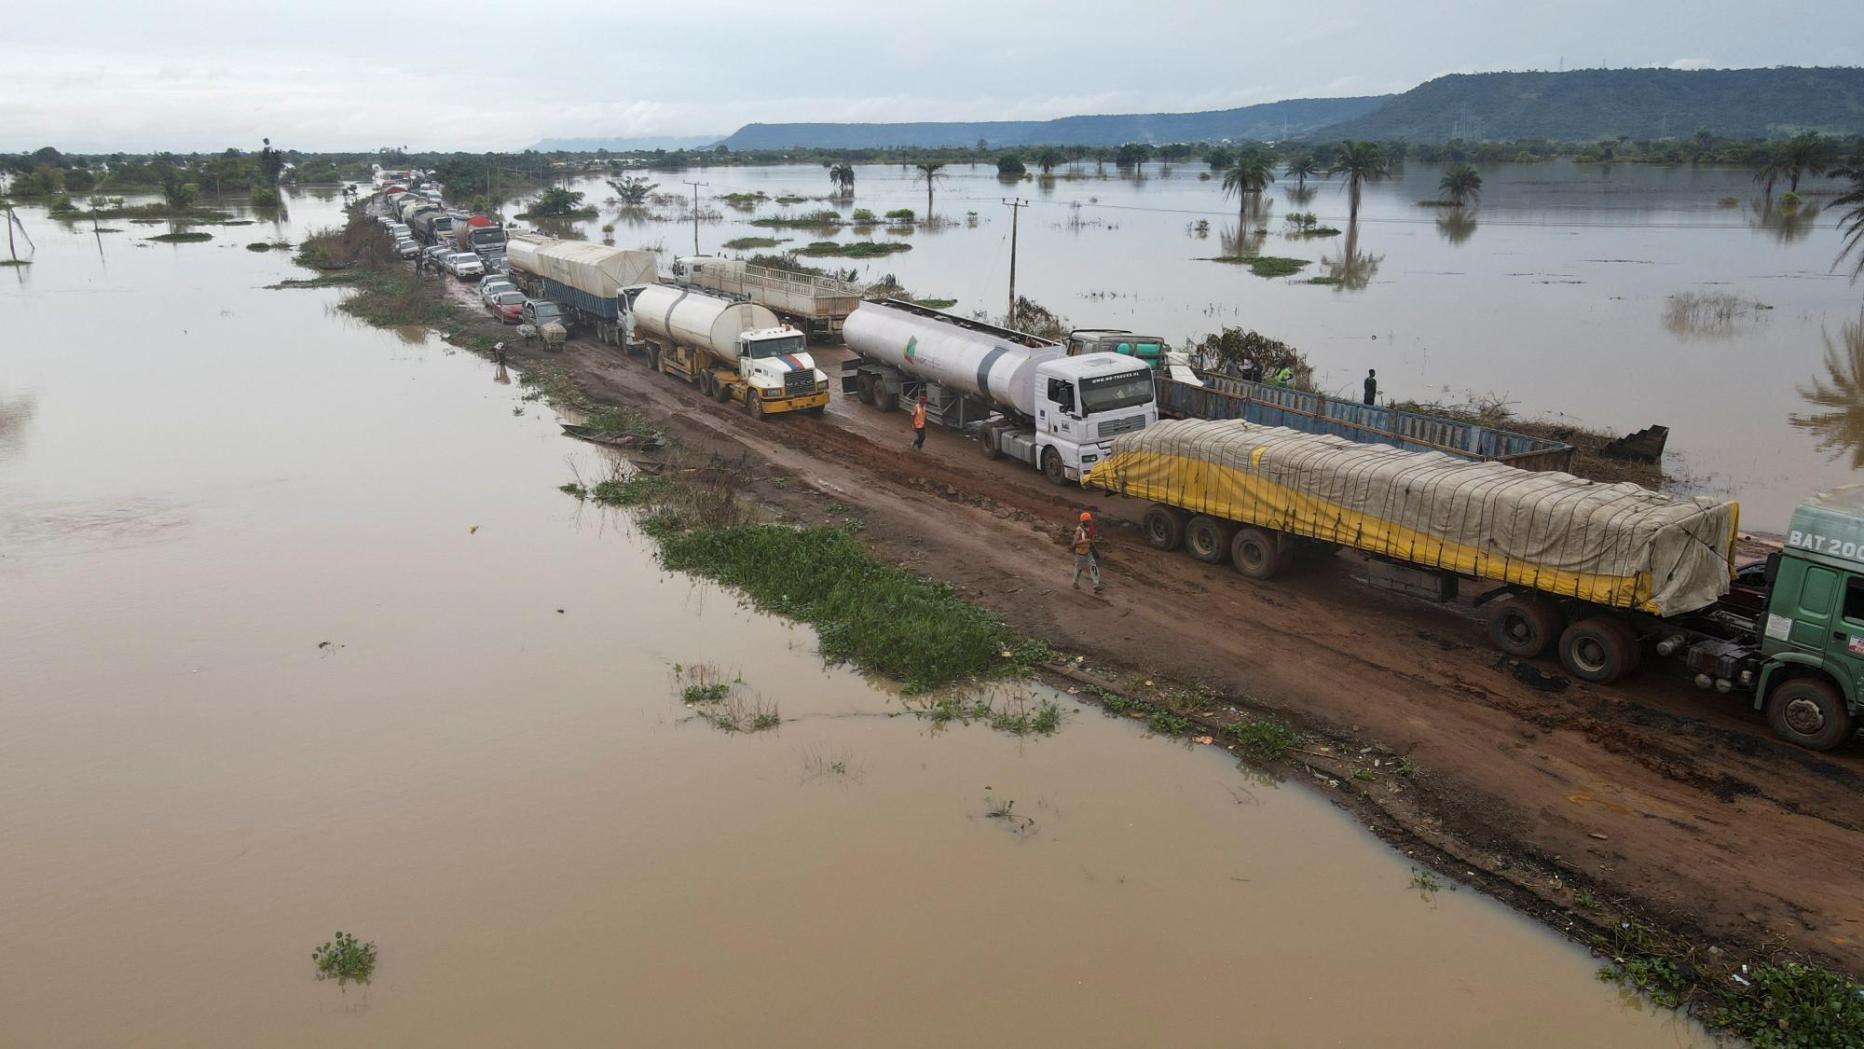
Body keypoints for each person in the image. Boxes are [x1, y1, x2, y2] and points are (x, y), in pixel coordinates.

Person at [1072, 511, 1103, 593]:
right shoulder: (1079, 530)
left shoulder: (1091, 528)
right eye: (1088, 521)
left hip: (1088, 551)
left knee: (1094, 567)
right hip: (1080, 553)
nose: (1090, 522)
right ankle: (1075, 582)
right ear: (1084, 521)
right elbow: (1074, 543)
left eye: (1090, 520)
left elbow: (1091, 540)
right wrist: (1085, 540)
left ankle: (1096, 584)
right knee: (1079, 569)